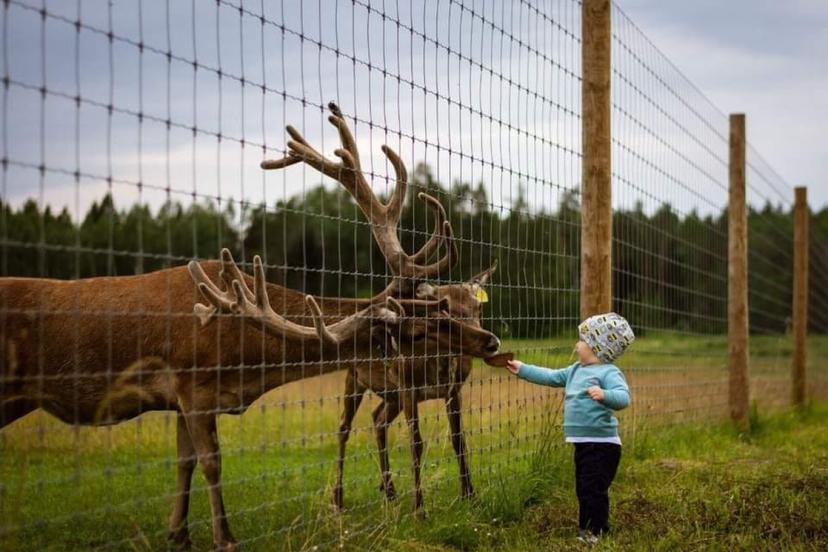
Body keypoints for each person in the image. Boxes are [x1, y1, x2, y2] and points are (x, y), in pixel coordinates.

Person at [505, 313, 634, 544]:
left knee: (594, 489)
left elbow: (623, 398)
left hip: (603, 445)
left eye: (582, 341)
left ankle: (597, 532)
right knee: (584, 488)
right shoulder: (575, 370)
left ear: (599, 347)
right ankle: (586, 530)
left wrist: (605, 395)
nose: (577, 345)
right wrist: (522, 369)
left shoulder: (608, 372)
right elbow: (551, 376)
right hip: (584, 443)